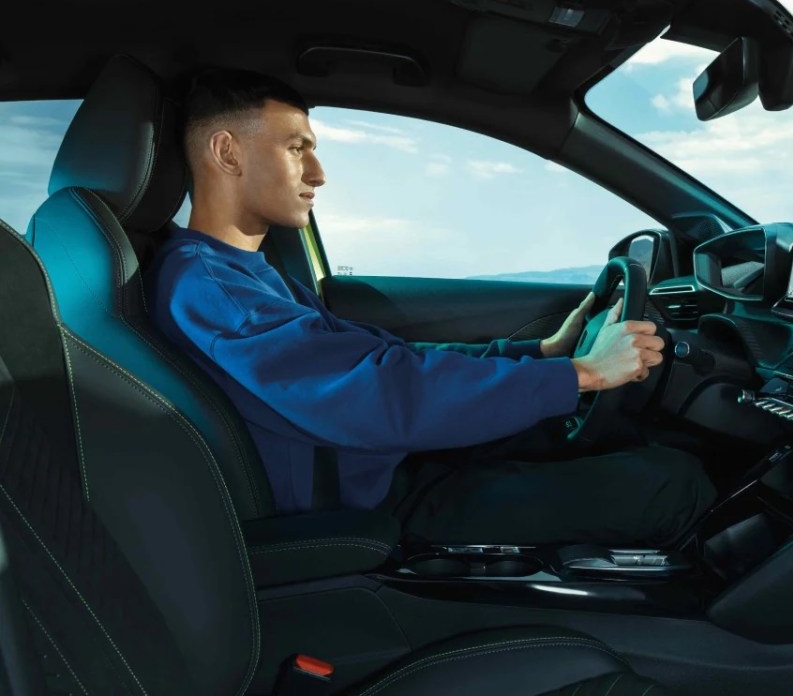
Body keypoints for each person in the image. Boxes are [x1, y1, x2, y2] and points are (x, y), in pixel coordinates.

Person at [145, 68, 715, 546]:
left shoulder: (240, 273)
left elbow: (376, 356)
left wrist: (539, 351)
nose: (318, 174)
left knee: (601, 441)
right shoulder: (212, 290)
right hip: (369, 510)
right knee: (672, 481)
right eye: (298, 149)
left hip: (377, 463)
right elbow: (380, 390)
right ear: (227, 152)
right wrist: (584, 372)